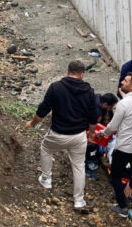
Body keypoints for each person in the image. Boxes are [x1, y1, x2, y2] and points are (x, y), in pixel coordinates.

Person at [26, 60, 97, 209]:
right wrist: (91, 133)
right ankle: (79, 200)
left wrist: (32, 124)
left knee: (46, 149)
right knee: (78, 166)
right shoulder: (89, 91)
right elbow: (93, 116)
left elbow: (42, 110)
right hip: (78, 136)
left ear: (68, 71)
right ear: (82, 74)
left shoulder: (56, 87)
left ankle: (46, 178)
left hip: (58, 134)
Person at [96, 73, 132, 217]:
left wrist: (102, 133)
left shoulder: (123, 104)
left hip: (123, 147)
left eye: (125, 81)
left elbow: (113, 126)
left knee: (116, 176)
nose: (122, 82)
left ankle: (123, 207)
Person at [86, 93, 117, 180]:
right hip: (88, 132)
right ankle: (89, 169)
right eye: (111, 107)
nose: (111, 109)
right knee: (92, 149)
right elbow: (91, 124)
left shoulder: (100, 104)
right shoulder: (96, 111)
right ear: (105, 104)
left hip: (97, 131)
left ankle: (94, 161)